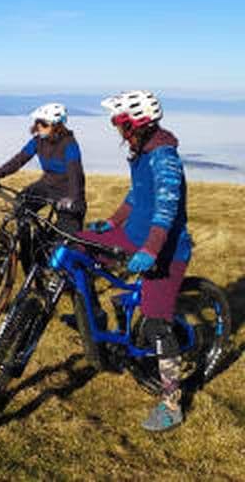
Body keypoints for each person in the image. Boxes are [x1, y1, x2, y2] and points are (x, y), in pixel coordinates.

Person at [80, 90, 192, 432]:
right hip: (134, 237)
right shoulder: (140, 151)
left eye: (120, 122)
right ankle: (94, 321)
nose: (116, 128)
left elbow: (167, 206)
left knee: (157, 324)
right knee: (78, 246)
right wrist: (112, 223)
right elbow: (136, 194)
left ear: (136, 124)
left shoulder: (164, 155)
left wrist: (151, 249)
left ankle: (172, 403)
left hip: (167, 250)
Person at [0, 103, 86, 269]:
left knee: (66, 242)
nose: (39, 127)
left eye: (44, 124)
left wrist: (73, 198)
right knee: (20, 206)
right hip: (46, 185)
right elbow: (19, 159)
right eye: (38, 122)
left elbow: (76, 174)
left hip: (67, 192)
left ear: (57, 126)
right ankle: (27, 254)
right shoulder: (38, 141)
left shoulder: (69, 144)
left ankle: (73, 278)